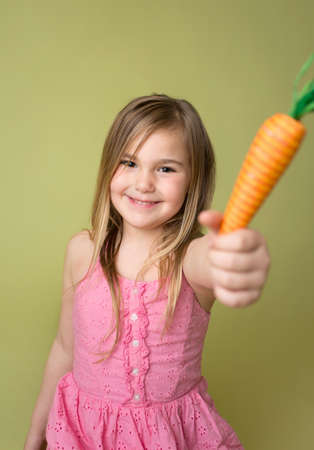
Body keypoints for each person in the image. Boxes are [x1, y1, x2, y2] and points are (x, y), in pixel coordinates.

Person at [24, 93, 270, 450]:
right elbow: (64, 347)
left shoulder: (189, 261)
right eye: (129, 163)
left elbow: (215, 259)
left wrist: (234, 255)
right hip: (82, 435)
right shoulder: (82, 251)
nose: (143, 183)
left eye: (166, 168)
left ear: (193, 181)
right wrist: (36, 434)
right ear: (108, 165)